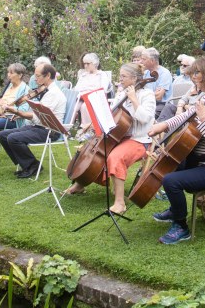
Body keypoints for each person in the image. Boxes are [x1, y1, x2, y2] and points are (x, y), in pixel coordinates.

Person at [149, 55, 205, 244]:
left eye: (196, 74)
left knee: (171, 181)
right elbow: (185, 116)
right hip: (204, 161)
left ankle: (181, 227)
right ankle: (176, 209)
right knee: (170, 165)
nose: (193, 78)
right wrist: (163, 125)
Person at [64, 63, 156, 214]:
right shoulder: (122, 92)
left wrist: (133, 99)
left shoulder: (147, 95)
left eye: (123, 76)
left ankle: (120, 203)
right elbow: (112, 114)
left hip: (139, 139)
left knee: (115, 156)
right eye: (120, 76)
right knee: (94, 153)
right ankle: (81, 184)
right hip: (119, 136)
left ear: (134, 78)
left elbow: (145, 118)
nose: (120, 79)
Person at [0, 63, 67, 178]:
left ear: (48, 75)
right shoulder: (46, 91)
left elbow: (38, 117)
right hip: (39, 126)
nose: (35, 78)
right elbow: (37, 115)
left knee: (13, 138)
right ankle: (28, 164)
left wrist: (17, 112)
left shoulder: (53, 94)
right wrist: (21, 114)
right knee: (3, 135)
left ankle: (32, 166)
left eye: (38, 75)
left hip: (50, 131)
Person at [75, 52, 111, 135]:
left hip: (95, 98)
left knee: (85, 106)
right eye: (84, 64)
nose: (86, 66)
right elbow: (77, 88)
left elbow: (103, 88)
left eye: (88, 63)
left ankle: (88, 129)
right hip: (81, 97)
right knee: (74, 107)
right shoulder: (83, 75)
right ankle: (66, 129)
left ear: (95, 63)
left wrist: (88, 92)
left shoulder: (101, 75)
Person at [141, 47, 172, 116]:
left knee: (145, 114)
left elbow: (158, 96)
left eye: (144, 59)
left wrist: (144, 97)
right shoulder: (146, 72)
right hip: (147, 102)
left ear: (152, 61)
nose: (141, 61)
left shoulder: (164, 73)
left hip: (162, 105)